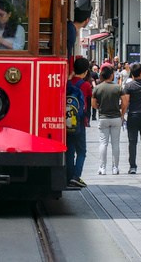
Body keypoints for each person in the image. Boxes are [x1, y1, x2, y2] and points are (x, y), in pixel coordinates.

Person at [92, 66, 123, 175]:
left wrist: (100, 107)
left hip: (103, 117)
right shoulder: (118, 88)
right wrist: (122, 113)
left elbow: (93, 104)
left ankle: (102, 168)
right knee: (115, 143)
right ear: (111, 75)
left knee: (103, 143)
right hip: (116, 117)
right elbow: (124, 102)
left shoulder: (97, 88)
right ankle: (115, 168)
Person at [65, 58, 89, 188]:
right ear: (85, 72)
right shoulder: (85, 85)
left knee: (69, 150)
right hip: (79, 122)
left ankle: (68, 176)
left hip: (67, 121)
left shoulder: (68, 83)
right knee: (81, 151)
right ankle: (76, 176)